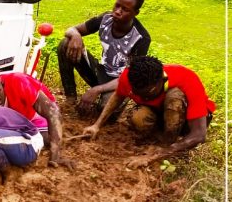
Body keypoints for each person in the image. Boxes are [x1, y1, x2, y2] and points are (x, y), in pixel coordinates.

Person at [82, 56, 215, 168]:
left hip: (187, 122)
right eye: (138, 93)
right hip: (161, 114)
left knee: (175, 98)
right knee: (138, 118)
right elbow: (118, 96)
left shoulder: (186, 78)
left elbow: (199, 135)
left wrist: (155, 156)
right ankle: (158, 138)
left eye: (148, 93)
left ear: (162, 81)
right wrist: (96, 125)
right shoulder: (129, 77)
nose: (144, 97)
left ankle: (167, 143)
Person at [57, 0, 151, 115]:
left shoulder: (141, 38)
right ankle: (71, 99)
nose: (118, 11)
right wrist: (76, 35)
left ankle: (104, 103)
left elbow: (130, 78)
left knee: (105, 111)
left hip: (120, 81)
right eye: (117, 5)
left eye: (125, 10)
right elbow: (70, 29)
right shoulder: (106, 19)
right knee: (66, 43)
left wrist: (96, 90)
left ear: (136, 13)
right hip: (101, 72)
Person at [0, 70, 74, 168]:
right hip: (14, 123)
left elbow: (53, 113)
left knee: (46, 139)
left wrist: (55, 156)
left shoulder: (19, 82)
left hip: (35, 116)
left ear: (3, 85)